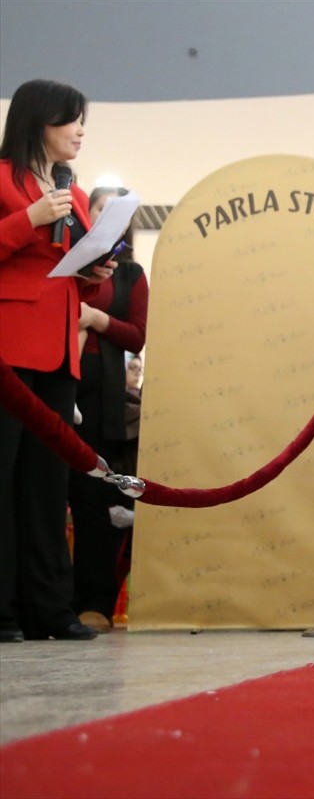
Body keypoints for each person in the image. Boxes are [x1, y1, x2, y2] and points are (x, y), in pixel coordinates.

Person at [0, 79, 116, 643]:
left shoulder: (76, 192)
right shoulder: (3, 177)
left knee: (48, 486)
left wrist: (96, 271)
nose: (80, 131)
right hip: (8, 344)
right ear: (38, 121)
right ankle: (3, 613)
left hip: (59, 350)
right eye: (70, 119)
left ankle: (50, 609)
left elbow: (75, 280)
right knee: (3, 480)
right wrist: (29, 218)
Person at [69, 188, 147, 633]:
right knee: (45, 495)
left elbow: (136, 335)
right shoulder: (66, 262)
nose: (109, 214)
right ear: (85, 211)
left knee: (94, 498)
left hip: (103, 397)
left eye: (119, 210)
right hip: (56, 382)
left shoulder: (131, 273)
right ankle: (40, 598)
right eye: (101, 206)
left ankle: (94, 602)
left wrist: (95, 319)